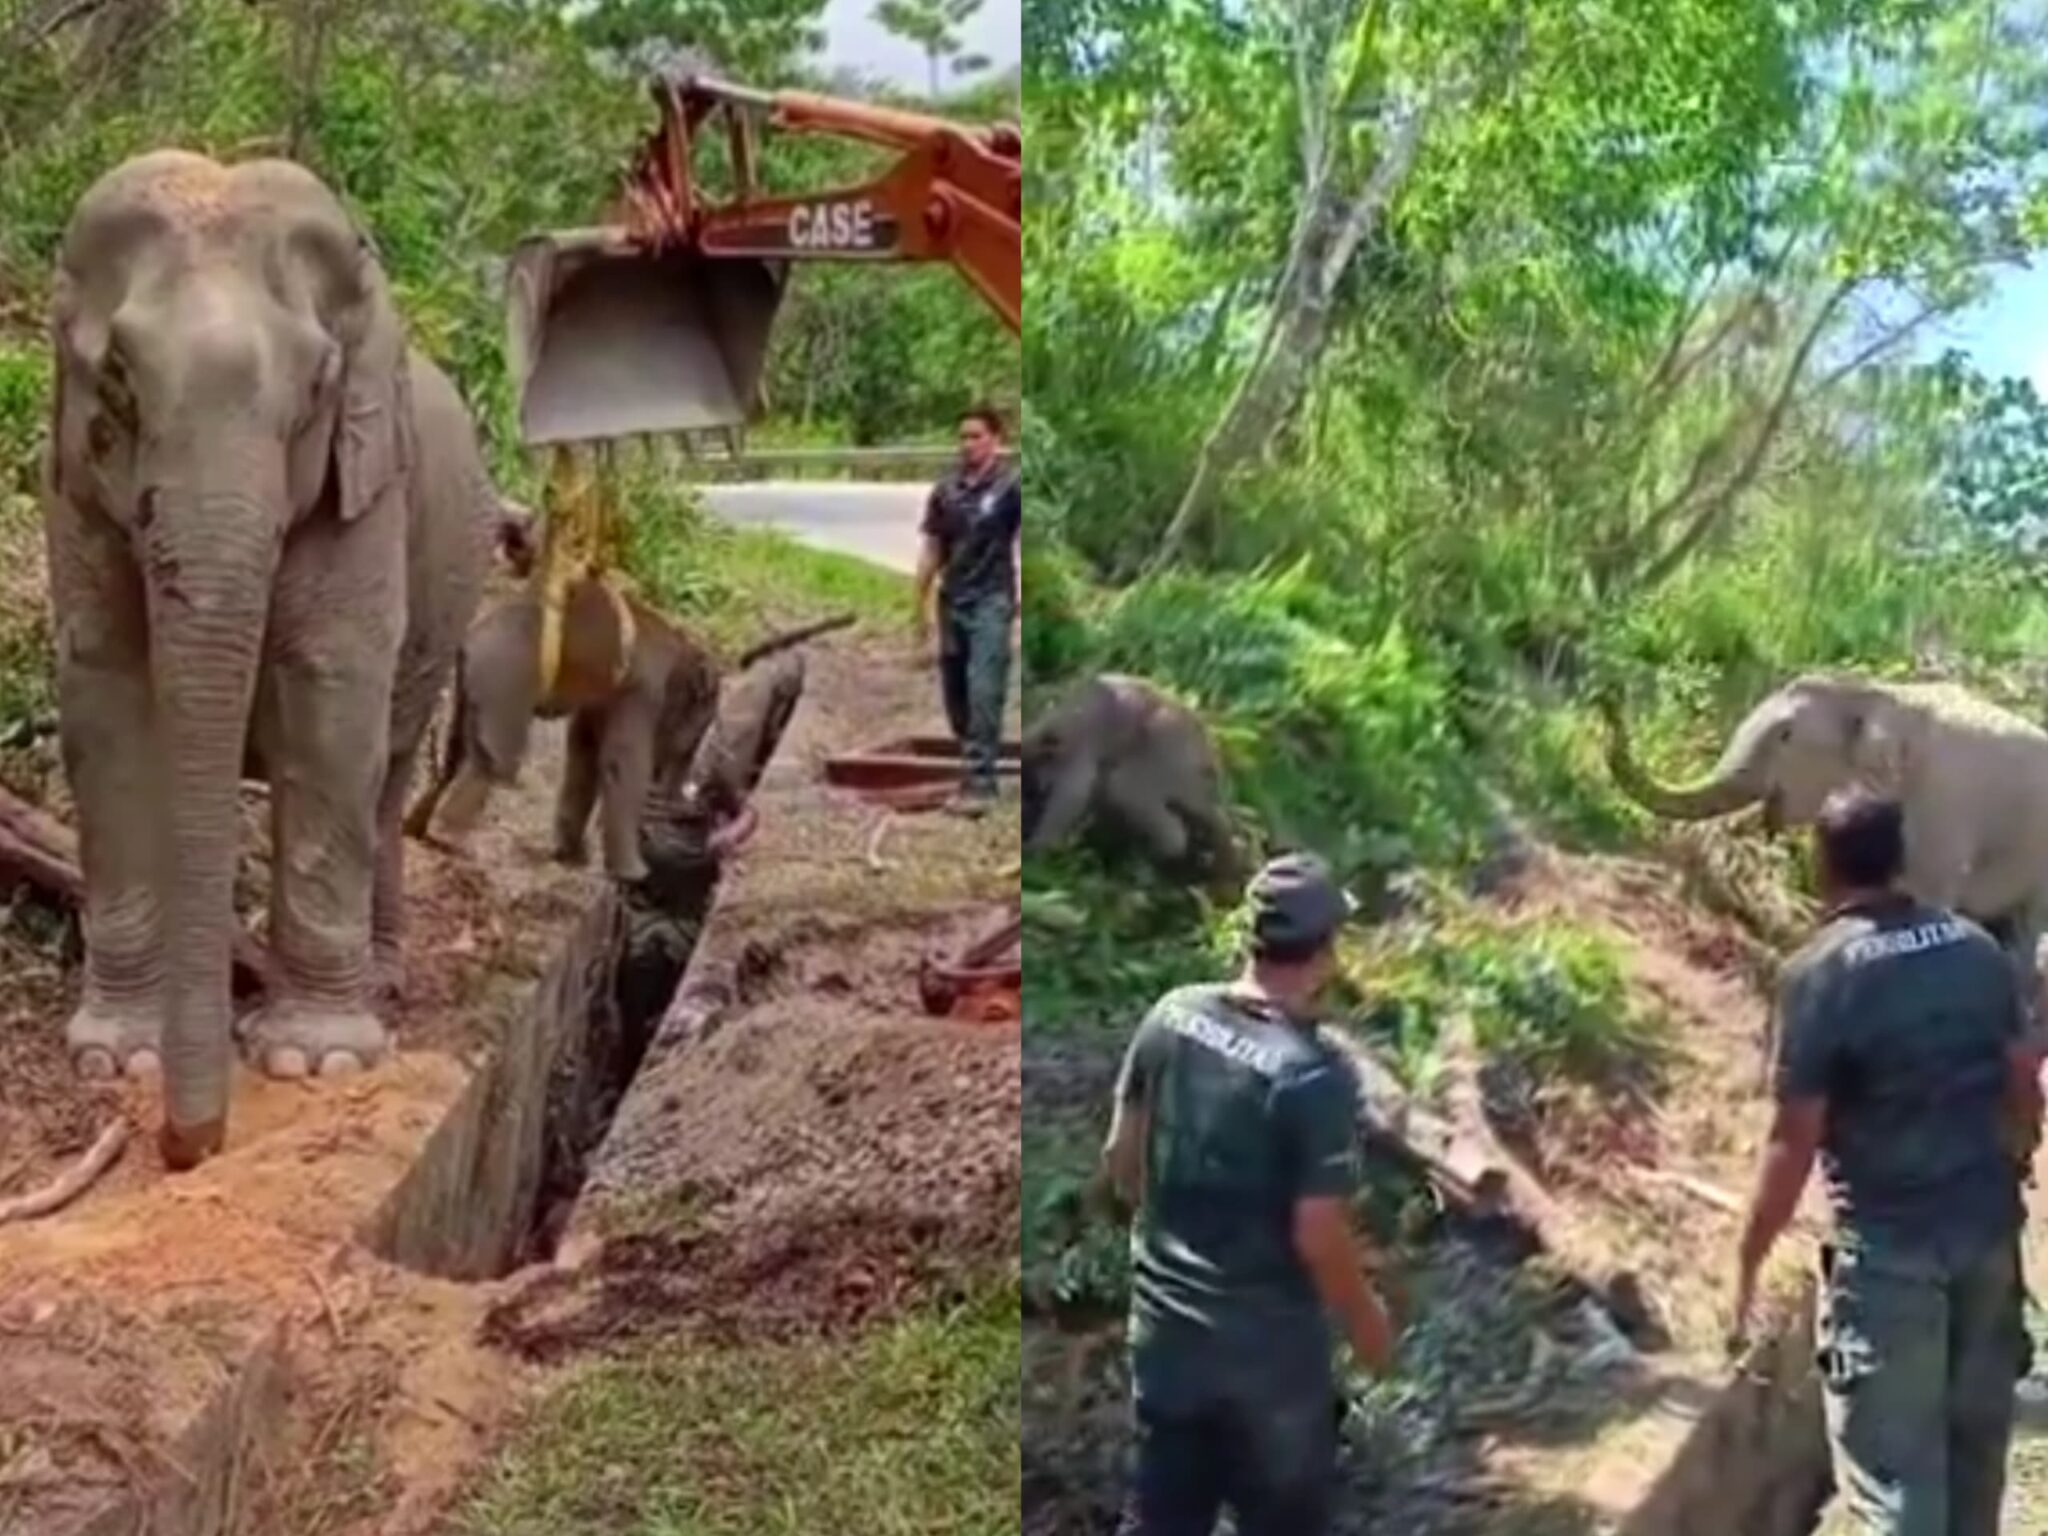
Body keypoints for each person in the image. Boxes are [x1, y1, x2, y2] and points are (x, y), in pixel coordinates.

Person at [1730, 788, 2046, 1536]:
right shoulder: (1974, 948)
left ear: (1823, 864)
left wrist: (1747, 1260)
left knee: (1895, 1490)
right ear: (1900, 858)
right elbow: (2021, 1090)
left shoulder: (1820, 975)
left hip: (1889, 1260)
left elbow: (1792, 1141)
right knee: (1974, 1475)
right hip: (1986, 1245)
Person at [1101, 851, 1396, 1535]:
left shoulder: (1171, 1016)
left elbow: (1121, 1159)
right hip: (1270, 1371)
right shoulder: (1314, 1077)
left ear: (1250, 934)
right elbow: (1318, 1236)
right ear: (1324, 951)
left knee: (1161, 1517)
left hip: (1166, 1339)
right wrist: (1370, 1328)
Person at [914, 403, 1021, 815]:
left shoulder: (1011, 488)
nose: (968, 444)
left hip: (992, 601)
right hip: (952, 599)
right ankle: (973, 763)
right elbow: (932, 549)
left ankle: (981, 786)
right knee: (956, 696)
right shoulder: (946, 491)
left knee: (984, 691)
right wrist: (918, 603)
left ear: (996, 440)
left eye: (976, 436)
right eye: (963, 436)